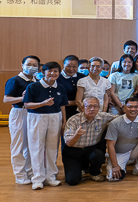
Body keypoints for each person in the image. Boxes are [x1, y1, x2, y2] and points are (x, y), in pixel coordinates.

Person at [23, 61, 69, 190]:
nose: (52, 73)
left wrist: (64, 122)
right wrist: (43, 103)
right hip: (37, 117)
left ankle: (51, 177)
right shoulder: (33, 86)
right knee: (36, 147)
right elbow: (27, 105)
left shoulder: (60, 87)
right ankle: (37, 178)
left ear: (59, 73)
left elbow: (62, 106)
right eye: (50, 70)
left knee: (52, 148)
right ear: (43, 72)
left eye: (55, 71)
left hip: (55, 117)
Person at [62, 97, 117, 185]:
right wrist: (77, 135)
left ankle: (94, 173)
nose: (92, 109)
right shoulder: (73, 120)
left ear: (99, 108)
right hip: (73, 151)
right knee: (72, 181)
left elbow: (121, 119)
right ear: (82, 108)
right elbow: (69, 143)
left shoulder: (104, 117)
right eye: (89, 106)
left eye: (95, 106)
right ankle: (82, 167)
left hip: (90, 149)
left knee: (99, 154)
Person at [4, 55, 39, 184]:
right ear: (22, 65)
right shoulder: (15, 80)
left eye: (35, 65)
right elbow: (6, 99)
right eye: (29, 64)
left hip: (33, 113)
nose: (32, 67)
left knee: (31, 145)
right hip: (19, 112)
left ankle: (29, 172)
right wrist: (22, 98)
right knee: (18, 145)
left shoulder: (36, 80)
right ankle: (20, 175)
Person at [105, 97, 138, 180]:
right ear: (124, 108)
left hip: (134, 150)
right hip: (119, 153)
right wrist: (115, 166)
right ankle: (116, 164)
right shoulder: (115, 123)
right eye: (130, 107)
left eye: (136, 107)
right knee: (113, 177)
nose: (133, 109)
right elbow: (110, 145)